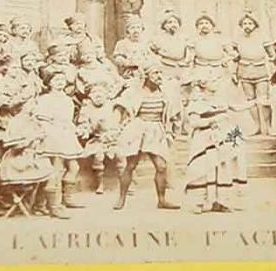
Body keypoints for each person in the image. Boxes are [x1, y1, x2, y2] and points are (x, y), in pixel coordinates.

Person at [114, 62, 180, 211]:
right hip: (139, 130)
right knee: (131, 165)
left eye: (160, 73)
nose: (159, 76)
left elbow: (174, 113)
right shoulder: (136, 92)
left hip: (156, 130)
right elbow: (121, 105)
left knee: (161, 166)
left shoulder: (165, 93)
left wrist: (170, 130)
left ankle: (162, 200)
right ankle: (121, 198)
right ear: (146, 76)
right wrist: (118, 124)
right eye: (155, 73)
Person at [184, 70, 241, 214]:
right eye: (213, 81)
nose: (217, 83)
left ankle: (220, 202)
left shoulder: (219, 100)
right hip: (203, 138)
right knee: (202, 168)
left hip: (220, 137)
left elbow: (236, 109)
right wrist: (214, 120)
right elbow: (194, 123)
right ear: (204, 84)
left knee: (222, 168)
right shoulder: (197, 102)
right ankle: (198, 202)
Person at [0, 88, 56, 217]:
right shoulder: (16, 122)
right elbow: (13, 146)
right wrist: (33, 138)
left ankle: (40, 206)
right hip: (16, 162)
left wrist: (41, 138)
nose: (35, 106)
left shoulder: (32, 120)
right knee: (50, 174)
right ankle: (49, 208)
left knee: (51, 171)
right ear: (23, 106)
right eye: (32, 103)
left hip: (30, 157)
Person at [35, 70, 85, 213]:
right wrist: (53, 134)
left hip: (66, 135)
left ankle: (67, 198)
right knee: (56, 169)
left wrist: (75, 129)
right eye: (56, 80)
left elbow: (68, 120)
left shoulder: (67, 100)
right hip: (52, 136)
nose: (60, 83)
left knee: (74, 167)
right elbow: (42, 120)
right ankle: (53, 205)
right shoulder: (45, 99)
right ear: (49, 83)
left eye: (62, 80)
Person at [230, 10, 274, 136]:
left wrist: (271, 68)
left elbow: (272, 55)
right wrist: (233, 72)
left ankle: (267, 126)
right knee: (250, 100)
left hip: (260, 70)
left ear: (255, 24)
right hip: (244, 71)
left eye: (250, 23)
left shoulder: (263, 36)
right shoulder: (238, 38)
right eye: (244, 23)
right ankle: (257, 126)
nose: (247, 26)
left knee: (263, 99)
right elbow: (234, 57)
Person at [77, 81, 125, 195]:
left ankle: (125, 182)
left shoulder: (113, 106)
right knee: (98, 156)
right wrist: (85, 131)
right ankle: (100, 183)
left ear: (107, 94)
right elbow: (86, 125)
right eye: (94, 93)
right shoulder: (87, 109)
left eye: (101, 92)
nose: (98, 95)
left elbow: (119, 123)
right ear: (90, 96)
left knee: (120, 155)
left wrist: (114, 133)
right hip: (98, 139)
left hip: (113, 137)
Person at [113, 14, 150, 80]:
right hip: (130, 71)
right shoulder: (122, 43)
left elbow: (151, 57)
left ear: (142, 29)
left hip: (146, 70)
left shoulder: (146, 43)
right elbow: (118, 58)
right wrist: (126, 62)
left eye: (138, 27)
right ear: (128, 30)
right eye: (132, 28)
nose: (135, 31)